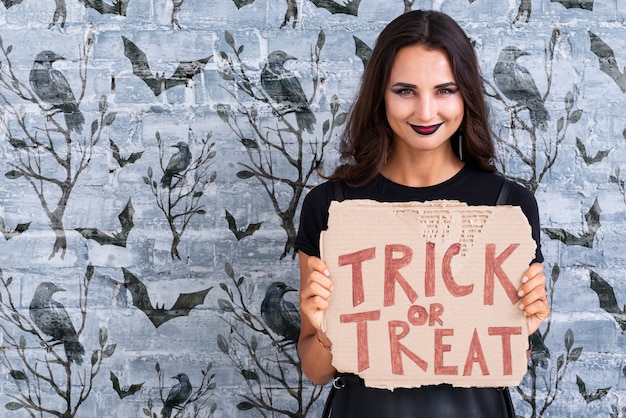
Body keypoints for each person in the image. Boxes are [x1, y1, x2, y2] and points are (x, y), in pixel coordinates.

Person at [293, 9, 550, 418]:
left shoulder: (509, 205)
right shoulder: (331, 206)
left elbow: (502, 356)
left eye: (445, 90)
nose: (426, 112)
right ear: (381, 93)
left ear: (466, 94)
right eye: (405, 91)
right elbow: (316, 371)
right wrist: (325, 330)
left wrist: (523, 326)